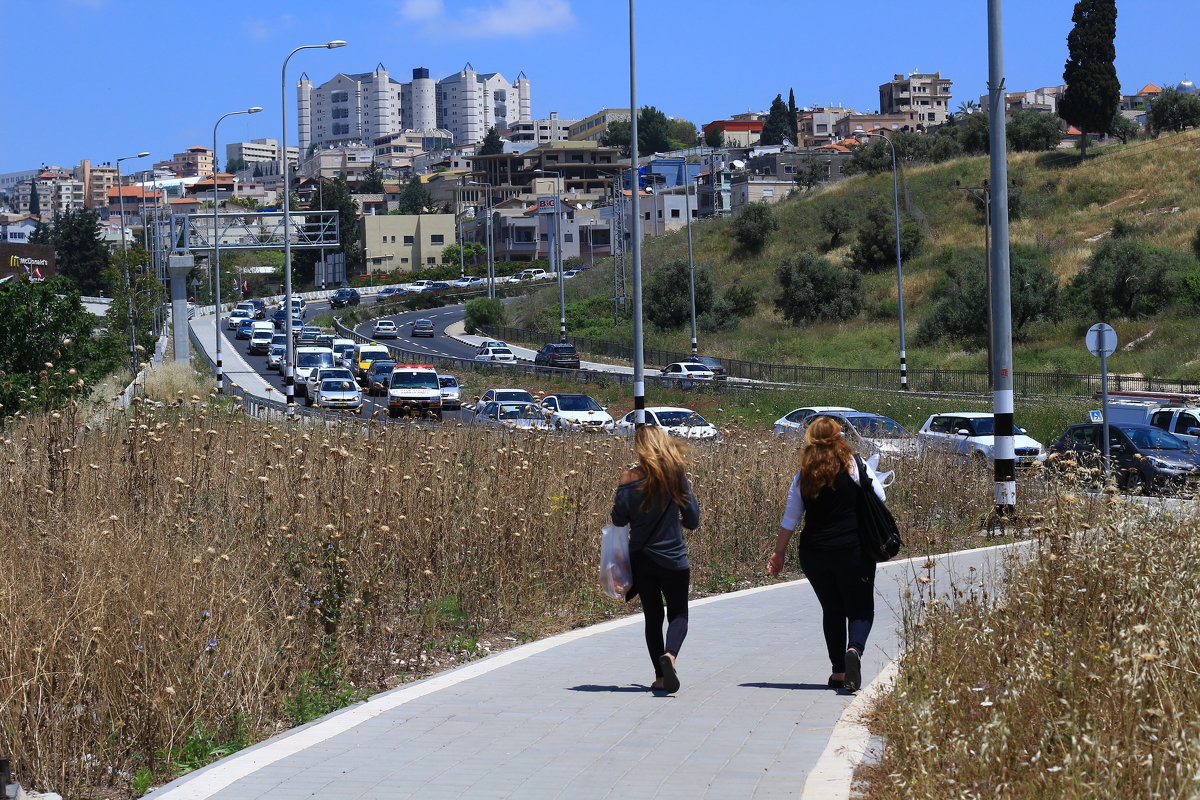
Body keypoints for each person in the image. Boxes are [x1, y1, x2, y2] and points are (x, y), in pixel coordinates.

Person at [767, 416, 885, 692]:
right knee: (860, 607)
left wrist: (778, 553)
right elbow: (880, 498)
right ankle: (854, 650)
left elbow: (790, 518)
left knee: (832, 609)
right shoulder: (855, 465)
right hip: (854, 549)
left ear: (809, 439)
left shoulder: (803, 474)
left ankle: (839, 672)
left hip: (815, 552)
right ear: (839, 436)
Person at [612, 425, 701, 693]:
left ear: (640, 449)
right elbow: (694, 520)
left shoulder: (629, 478)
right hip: (673, 558)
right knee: (678, 613)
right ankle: (670, 656)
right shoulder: (676, 478)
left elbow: (618, 519)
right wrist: (679, 519)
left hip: (642, 560)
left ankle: (660, 679)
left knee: (653, 618)